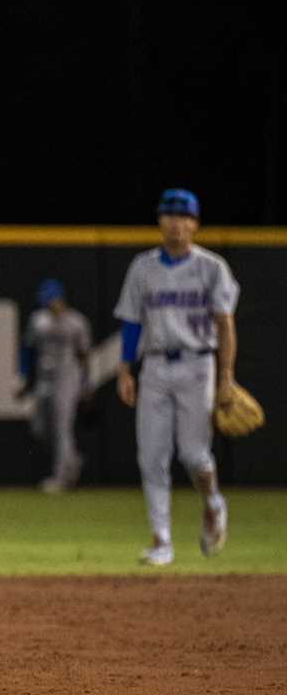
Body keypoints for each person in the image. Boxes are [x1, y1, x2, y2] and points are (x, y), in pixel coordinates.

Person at [113, 188, 240, 566]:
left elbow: (225, 325)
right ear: (160, 221)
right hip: (153, 366)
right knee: (151, 457)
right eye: (168, 214)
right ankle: (161, 540)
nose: (175, 222)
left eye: (183, 216)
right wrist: (124, 369)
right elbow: (132, 321)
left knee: (194, 454)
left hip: (198, 364)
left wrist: (227, 378)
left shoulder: (212, 267)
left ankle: (213, 501)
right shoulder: (142, 266)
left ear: (195, 224)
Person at [17, 278, 91, 493]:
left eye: (54, 300)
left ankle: (61, 478)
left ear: (61, 298)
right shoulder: (38, 320)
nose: (51, 304)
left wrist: (86, 385)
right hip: (44, 378)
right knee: (40, 428)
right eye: (48, 301)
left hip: (67, 378)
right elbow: (27, 350)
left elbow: (84, 355)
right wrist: (23, 377)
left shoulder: (77, 322)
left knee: (62, 429)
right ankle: (72, 460)